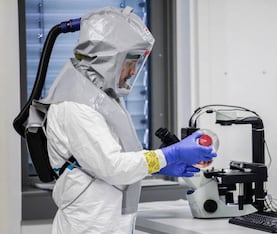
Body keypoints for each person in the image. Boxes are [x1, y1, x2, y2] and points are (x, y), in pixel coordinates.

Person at [39, 6, 216, 234]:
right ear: (108, 59)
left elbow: (107, 160)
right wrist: (170, 154)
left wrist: (159, 166)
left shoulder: (98, 94)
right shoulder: (75, 104)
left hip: (105, 223)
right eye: (129, 62)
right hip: (88, 227)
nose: (133, 71)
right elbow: (113, 167)